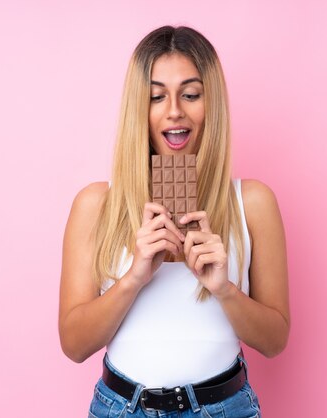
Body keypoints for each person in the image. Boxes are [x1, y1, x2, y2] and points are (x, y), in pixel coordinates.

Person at [59, 25, 290, 417]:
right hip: (122, 408)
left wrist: (224, 288)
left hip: (224, 408)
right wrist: (133, 278)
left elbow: (274, 340)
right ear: (139, 108)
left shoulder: (252, 202)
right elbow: (74, 344)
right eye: (156, 96)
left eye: (191, 94)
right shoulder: (97, 204)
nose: (174, 111)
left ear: (210, 103)